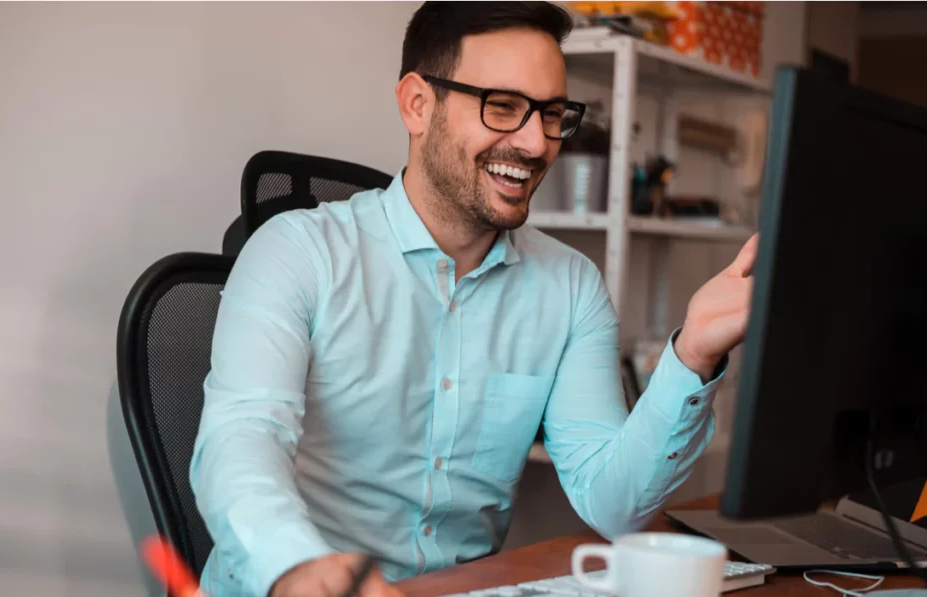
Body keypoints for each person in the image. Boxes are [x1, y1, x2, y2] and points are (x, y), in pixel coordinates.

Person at [190, 3, 757, 597]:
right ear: (417, 104)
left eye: (552, 113)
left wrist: (692, 356)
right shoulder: (296, 253)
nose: (537, 142)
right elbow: (240, 443)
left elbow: (616, 508)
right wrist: (298, 568)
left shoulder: (571, 287)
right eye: (504, 107)